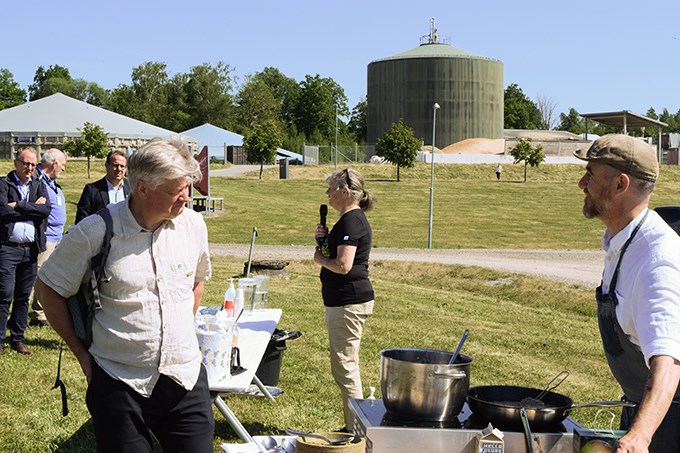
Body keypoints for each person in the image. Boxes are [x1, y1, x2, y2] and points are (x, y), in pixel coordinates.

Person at [35, 138, 214, 452]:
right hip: (119, 383)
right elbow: (48, 287)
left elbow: (196, 281)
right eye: (176, 190)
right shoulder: (97, 230)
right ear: (142, 188)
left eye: (187, 186)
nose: (186, 197)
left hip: (185, 378)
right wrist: (82, 356)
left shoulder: (194, 226)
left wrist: (179, 332)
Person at [574, 134, 680, 452]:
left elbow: (669, 363)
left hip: (669, 428)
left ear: (621, 185)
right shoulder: (623, 242)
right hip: (643, 412)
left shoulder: (656, 258)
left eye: (590, 174)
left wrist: (640, 436)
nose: (581, 183)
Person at [313, 167, 376, 430]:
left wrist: (320, 259)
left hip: (348, 302)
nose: (327, 193)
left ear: (344, 190)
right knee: (345, 366)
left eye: (331, 188)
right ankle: (354, 428)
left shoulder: (352, 221)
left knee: (346, 369)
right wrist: (325, 240)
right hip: (344, 301)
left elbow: (343, 265)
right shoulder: (349, 220)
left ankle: (357, 433)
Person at [0, 146, 51, 355]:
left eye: (33, 164)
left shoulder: (38, 184)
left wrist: (18, 206)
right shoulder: (3, 183)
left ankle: (17, 339)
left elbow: (46, 210)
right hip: (8, 249)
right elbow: (2, 211)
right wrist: (32, 208)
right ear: (16, 163)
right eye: (25, 163)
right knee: (4, 295)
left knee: (23, 296)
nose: (30, 168)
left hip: (30, 250)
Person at [29, 148, 67, 327]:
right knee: (34, 275)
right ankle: (19, 314)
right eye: (63, 164)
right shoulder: (36, 179)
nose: (64, 169)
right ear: (54, 163)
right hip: (45, 236)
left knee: (46, 277)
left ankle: (39, 313)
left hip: (57, 236)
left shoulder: (52, 183)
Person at [75, 150, 131, 224]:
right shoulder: (92, 190)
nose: (119, 169)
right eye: (115, 165)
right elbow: (81, 220)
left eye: (122, 166)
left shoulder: (131, 189)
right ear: (106, 165)